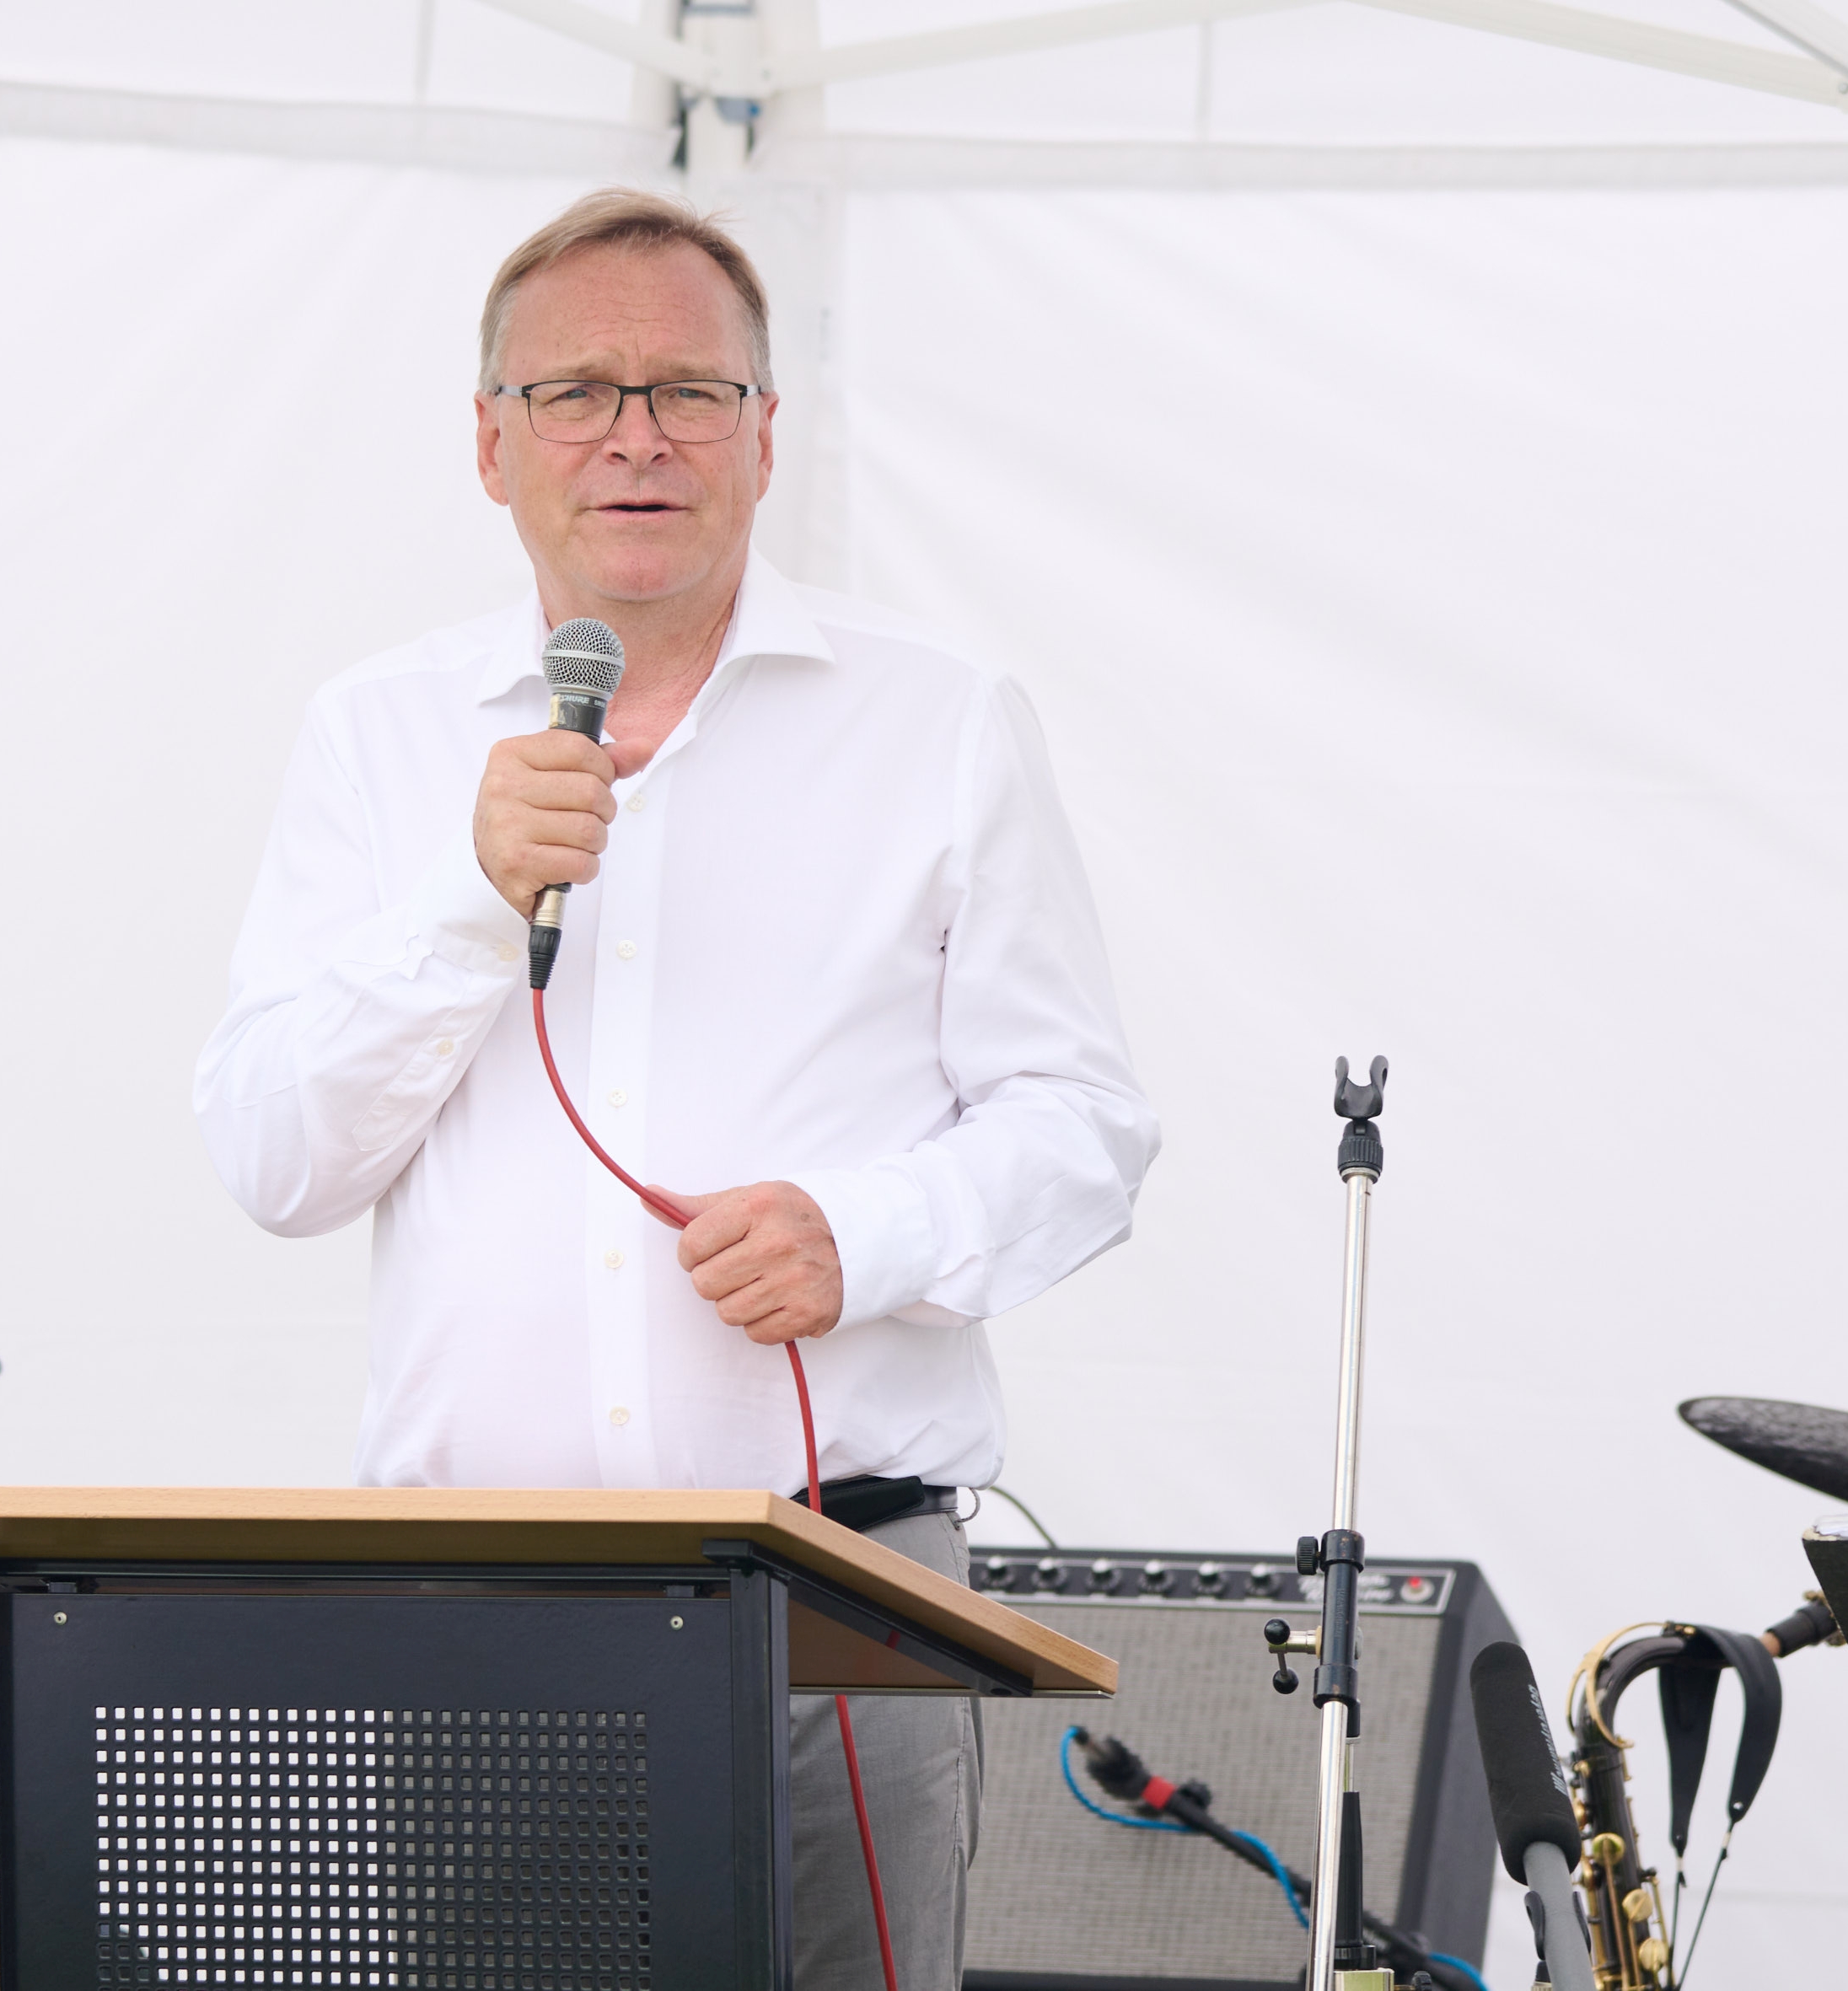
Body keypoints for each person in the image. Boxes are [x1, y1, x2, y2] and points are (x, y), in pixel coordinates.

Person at [197, 186, 1158, 1991]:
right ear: (491, 446)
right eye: (575, 393)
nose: (632, 436)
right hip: (489, 1614)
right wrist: (462, 907)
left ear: (764, 437)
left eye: (687, 392)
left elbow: (1083, 1126)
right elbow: (272, 1155)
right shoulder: (376, 734)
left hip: (844, 1603)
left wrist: (864, 1234)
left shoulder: (935, 717)